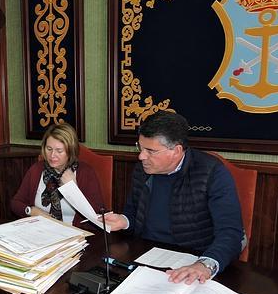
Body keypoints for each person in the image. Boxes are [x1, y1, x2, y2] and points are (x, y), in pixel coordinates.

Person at [102, 111, 244, 284]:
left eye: (150, 151)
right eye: (140, 147)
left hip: (192, 262)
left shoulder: (212, 173)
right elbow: (133, 213)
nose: (141, 156)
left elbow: (231, 233)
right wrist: (124, 220)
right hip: (145, 256)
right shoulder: (143, 170)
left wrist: (204, 265)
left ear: (176, 151)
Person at [11, 123, 105, 229]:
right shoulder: (36, 170)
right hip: (40, 230)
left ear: (70, 151)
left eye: (59, 151)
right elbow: (16, 203)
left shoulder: (86, 173)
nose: (52, 155)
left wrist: (74, 189)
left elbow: (97, 215)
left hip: (74, 233)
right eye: (49, 149)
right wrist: (32, 211)